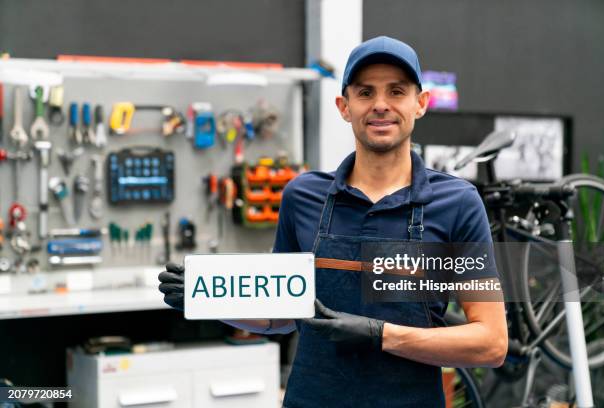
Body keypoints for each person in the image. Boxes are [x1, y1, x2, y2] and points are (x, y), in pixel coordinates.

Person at [159, 36, 508, 407]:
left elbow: (491, 342)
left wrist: (380, 335)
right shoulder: (303, 196)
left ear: (420, 103)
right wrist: (209, 298)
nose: (380, 105)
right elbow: (282, 315)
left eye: (396, 91)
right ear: (344, 106)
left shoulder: (456, 203)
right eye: (365, 92)